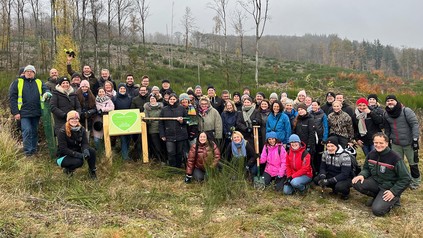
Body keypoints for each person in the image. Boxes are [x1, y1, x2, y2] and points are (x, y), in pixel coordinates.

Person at [352, 132, 411, 216]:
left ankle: (394, 199)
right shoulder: (371, 154)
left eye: (381, 143)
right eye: (376, 143)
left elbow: (406, 178)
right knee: (356, 182)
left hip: (389, 187)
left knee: (377, 211)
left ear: (386, 143)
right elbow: (366, 169)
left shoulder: (395, 158)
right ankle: (378, 197)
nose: (378, 145)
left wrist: (393, 191)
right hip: (375, 182)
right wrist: (362, 175)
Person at [9, 65, 51, 156]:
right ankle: (28, 152)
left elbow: (45, 90)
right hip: (23, 113)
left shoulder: (39, 82)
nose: (29, 72)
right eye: (27, 71)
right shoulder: (18, 82)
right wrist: (15, 112)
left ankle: (34, 150)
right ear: (24, 72)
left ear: (34, 73)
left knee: (34, 131)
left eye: (31, 71)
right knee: (27, 130)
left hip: (36, 112)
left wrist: (47, 93)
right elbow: (12, 98)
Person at [383, 95, 420, 189]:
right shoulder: (386, 114)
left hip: (409, 142)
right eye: (388, 101)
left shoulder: (406, 111)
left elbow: (414, 124)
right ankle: (403, 179)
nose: (390, 102)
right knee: (398, 164)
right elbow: (387, 129)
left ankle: (415, 182)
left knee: (413, 163)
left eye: (392, 100)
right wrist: (387, 141)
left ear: (396, 101)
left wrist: (415, 139)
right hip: (396, 143)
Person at [56, 110, 97, 179]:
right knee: (79, 162)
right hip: (64, 155)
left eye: (76, 118)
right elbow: (63, 149)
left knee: (92, 151)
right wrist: (78, 155)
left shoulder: (82, 129)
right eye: (72, 118)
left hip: (76, 151)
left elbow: (84, 143)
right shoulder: (62, 131)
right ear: (68, 120)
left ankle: (92, 171)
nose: (74, 120)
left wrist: (85, 150)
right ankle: (68, 170)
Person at [159, 93, 188, 168]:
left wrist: (182, 121)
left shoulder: (182, 108)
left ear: (177, 100)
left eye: (174, 99)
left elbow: (187, 120)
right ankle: (172, 167)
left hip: (180, 134)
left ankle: (178, 166)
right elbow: (161, 123)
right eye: (171, 99)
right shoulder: (164, 109)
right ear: (168, 100)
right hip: (169, 134)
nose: (172, 101)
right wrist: (162, 134)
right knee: (170, 152)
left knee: (179, 152)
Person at [112, 83, 133, 161]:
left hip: (129, 121)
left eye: (124, 89)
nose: (122, 90)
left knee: (128, 138)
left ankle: (126, 153)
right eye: (121, 89)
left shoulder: (130, 98)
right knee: (123, 139)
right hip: (119, 121)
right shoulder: (114, 98)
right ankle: (125, 157)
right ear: (118, 90)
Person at [310, 100, 329, 175]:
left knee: (319, 155)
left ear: (318, 106)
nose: (314, 106)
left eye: (315, 105)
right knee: (313, 154)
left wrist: (324, 138)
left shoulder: (323, 115)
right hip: (312, 138)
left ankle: (320, 170)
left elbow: (325, 127)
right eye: (312, 105)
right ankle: (313, 170)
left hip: (320, 138)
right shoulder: (309, 114)